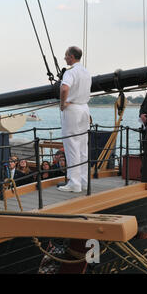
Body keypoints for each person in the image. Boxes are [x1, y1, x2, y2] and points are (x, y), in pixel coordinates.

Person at [58, 46, 91, 193]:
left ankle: (74, 183)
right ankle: (84, 181)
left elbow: (65, 88)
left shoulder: (71, 72)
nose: (65, 58)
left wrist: (62, 103)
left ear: (71, 57)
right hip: (84, 108)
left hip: (72, 109)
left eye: (66, 56)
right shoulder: (86, 72)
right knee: (83, 146)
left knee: (71, 145)